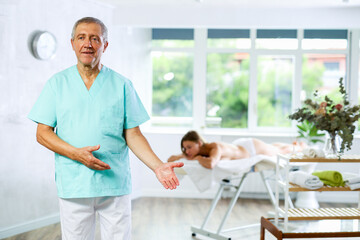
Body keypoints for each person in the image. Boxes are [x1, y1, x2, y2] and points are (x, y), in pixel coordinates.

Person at [28, 17, 183, 240]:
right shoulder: (57, 84)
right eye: (81, 37)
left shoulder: (122, 85)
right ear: (72, 43)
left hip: (114, 183)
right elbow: (42, 133)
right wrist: (77, 155)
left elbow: (133, 134)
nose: (87, 44)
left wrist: (157, 166)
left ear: (105, 45)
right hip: (75, 183)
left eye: (95, 38)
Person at [168, 130, 305, 169]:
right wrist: (181, 155)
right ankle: (293, 144)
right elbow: (170, 159)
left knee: (278, 151)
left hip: (251, 148)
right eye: (185, 148)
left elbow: (210, 164)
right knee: (273, 147)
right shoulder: (201, 150)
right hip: (240, 145)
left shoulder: (215, 147)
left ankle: (299, 147)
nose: (187, 151)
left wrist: (197, 158)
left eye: (189, 147)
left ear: (199, 143)